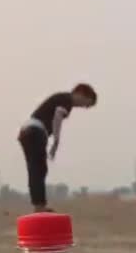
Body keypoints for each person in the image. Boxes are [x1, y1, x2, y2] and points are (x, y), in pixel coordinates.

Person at [18, 83, 97, 212]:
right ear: (81, 93)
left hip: (26, 132)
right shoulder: (67, 100)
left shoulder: (61, 97)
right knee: (39, 169)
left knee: (35, 169)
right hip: (36, 131)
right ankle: (39, 206)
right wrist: (56, 142)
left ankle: (38, 205)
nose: (83, 107)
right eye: (85, 103)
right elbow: (58, 115)